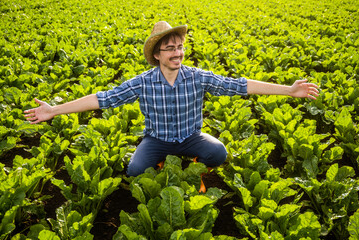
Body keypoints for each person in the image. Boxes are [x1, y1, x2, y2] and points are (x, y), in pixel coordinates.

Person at [24, 21, 320, 177]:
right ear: (157, 55)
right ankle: (165, 160)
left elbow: (239, 86)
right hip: (157, 139)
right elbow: (102, 100)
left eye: (180, 46)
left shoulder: (197, 76)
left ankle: (187, 161)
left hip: (191, 136)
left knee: (219, 154)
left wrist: (288, 90)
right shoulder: (142, 82)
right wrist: (55, 110)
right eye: (170, 48)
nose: (177, 52)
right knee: (136, 171)